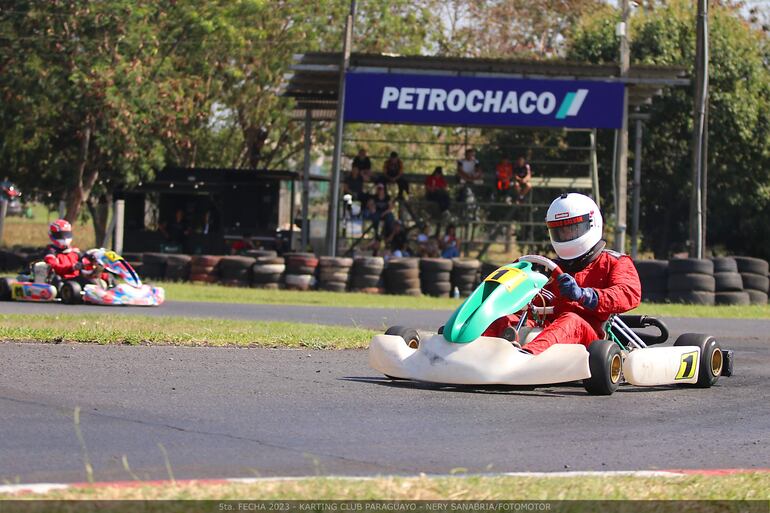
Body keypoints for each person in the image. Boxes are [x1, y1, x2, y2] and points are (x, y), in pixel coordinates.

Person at [483, 193, 641, 355]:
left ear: (592, 223)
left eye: (572, 229)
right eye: (560, 230)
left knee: (570, 320)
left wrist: (584, 295)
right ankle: (474, 353)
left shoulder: (614, 262)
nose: (566, 235)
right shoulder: (551, 267)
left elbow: (628, 294)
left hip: (590, 338)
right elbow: (532, 306)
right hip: (549, 329)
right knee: (503, 319)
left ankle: (526, 357)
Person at [43, 219, 81, 285]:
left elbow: (85, 262)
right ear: (52, 235)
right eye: (60, 235)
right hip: (63, 281)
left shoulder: (75, 252)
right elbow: (54, 267)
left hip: (77, 280)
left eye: (66, 234)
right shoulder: (51, 252)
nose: (64, 238)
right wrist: (72, 267)